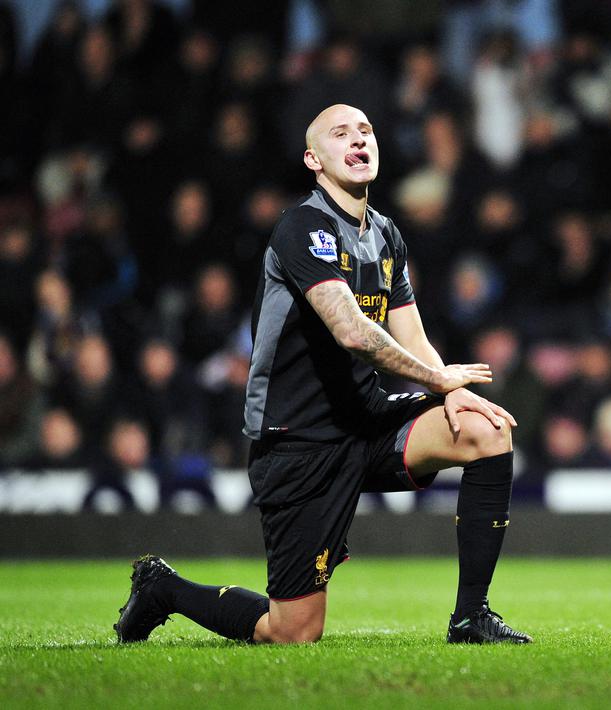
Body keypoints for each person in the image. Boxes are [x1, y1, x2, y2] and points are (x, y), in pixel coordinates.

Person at [113, 104, 532, 646]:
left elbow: (412, 335)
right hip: (299, 440)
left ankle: (471, 617)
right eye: (341, 133)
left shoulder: (385, 235)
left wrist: (446, 387)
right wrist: (439, 379)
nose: (359, 140)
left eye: (366, 131)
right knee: (292, 632)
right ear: (314, 158)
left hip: (367, 422)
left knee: (486, 428)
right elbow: (353, 332)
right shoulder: (302, 227)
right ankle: (163, 588)